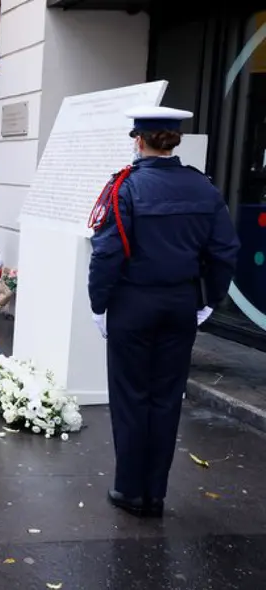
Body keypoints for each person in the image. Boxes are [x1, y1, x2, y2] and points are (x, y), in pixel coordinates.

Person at [88, 106, 239, 518]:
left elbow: (107, 252)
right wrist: (209, 300)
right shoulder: (202, 188)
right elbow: (225, 250)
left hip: (133, 305)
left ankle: (129, 490)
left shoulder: (125, 187)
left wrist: (99, 304)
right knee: (167, 398)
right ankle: (155, 493)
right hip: (180, 305)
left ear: (139, 139)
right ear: (174, 141)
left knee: (131, 396)